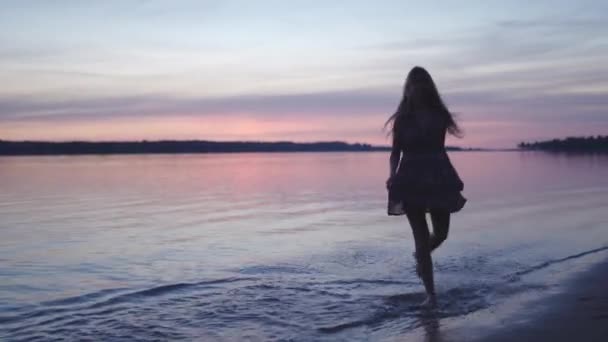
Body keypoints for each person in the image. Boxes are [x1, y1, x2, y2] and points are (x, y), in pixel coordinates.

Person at [385, 66, 466, 307]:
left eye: (422, 84)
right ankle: (430, 294)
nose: (418, 88)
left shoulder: (439, 114)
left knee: (441, 234)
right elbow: (394, 153)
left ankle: (420, 258)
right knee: (420, 239)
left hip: (437, 176)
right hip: (409, 178)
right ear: (408, 89)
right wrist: (391, 175)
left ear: (428, 87)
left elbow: (439, 147)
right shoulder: (402, 119)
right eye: (413, 84)